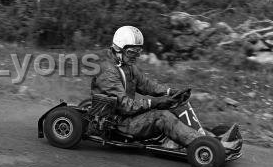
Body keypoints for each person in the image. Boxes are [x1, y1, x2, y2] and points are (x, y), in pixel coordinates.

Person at [91, 25, 239, 148]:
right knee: (162, 115)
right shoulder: (107, 72)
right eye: (131, 52)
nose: (135, 56)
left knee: (178, 104)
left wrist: (170, 92)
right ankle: (207, 145)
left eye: (138, 52)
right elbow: (126, 106)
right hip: (120, 123)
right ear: (118, 49)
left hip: (130, 115)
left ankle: (211, 139)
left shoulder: (126, 65)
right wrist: (154, 102)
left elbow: (146, 85)